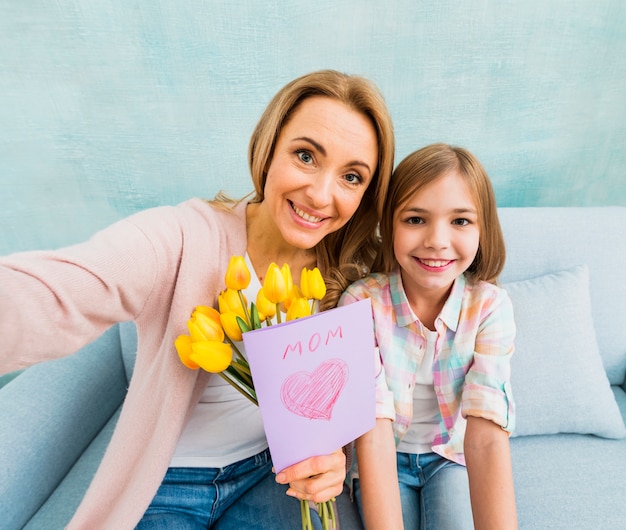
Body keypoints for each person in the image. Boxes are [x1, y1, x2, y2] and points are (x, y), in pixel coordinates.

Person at [0, 69, 395, 529]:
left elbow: (343, 406)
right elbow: (61, 292)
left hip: (266, 477)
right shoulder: (185, 239)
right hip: (167, 481)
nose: (321, 194)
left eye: (351, 176)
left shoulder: (349, 281)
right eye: (306, 156)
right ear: (268, 151)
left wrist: (332, 461)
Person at [339, 143, 517, 529]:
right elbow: (372, 428)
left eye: (460, 221)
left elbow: (486, 436)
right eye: (416, 219)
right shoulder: (360, 302)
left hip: (450, 457)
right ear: (388, 226)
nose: (437, 240)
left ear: (483, 228)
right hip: (381, 456)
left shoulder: (490, 307)